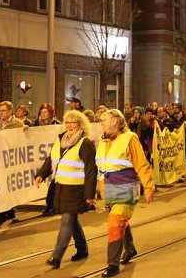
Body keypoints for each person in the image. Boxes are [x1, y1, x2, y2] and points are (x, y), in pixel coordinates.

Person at [34, 110, 97, 269]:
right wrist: (41, 174)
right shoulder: (60, 140)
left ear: (80, 125)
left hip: (76, 190)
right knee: (72, 220)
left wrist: (90, 195)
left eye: (73, 122)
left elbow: (91, 170)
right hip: (61, 187)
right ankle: (82, 250)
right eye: (67, 122)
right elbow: (51, 160)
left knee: (67, 220)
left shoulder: (85, 143)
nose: (69, 125)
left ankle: (56, 256)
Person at [96, 109, 155, 277]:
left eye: (104, 121)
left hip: (127, 188)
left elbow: (141, 164)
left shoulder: (130, 139)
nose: (101, 124)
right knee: (121, 221)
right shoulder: (103, 141)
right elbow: (101, 167)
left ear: (115, 122)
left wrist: (149, 187)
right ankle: (130, 249)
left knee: (115, 224)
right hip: (110, 190)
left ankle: (112, 264)